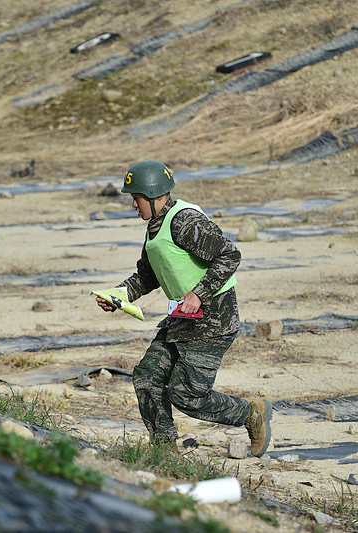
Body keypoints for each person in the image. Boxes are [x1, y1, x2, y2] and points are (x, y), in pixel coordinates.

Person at [96, 160, 272, 457]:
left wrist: (199, 294)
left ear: (154, 195)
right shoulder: (155, 226)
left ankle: (250, 413)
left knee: (186, 395)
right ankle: (164, 450)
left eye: (136, 198)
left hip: (214, 321)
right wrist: (119, 296)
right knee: (146, 377)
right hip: (182, 319)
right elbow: (148, 276)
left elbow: (230, 255)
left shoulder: (184, 221)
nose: (133, 205)